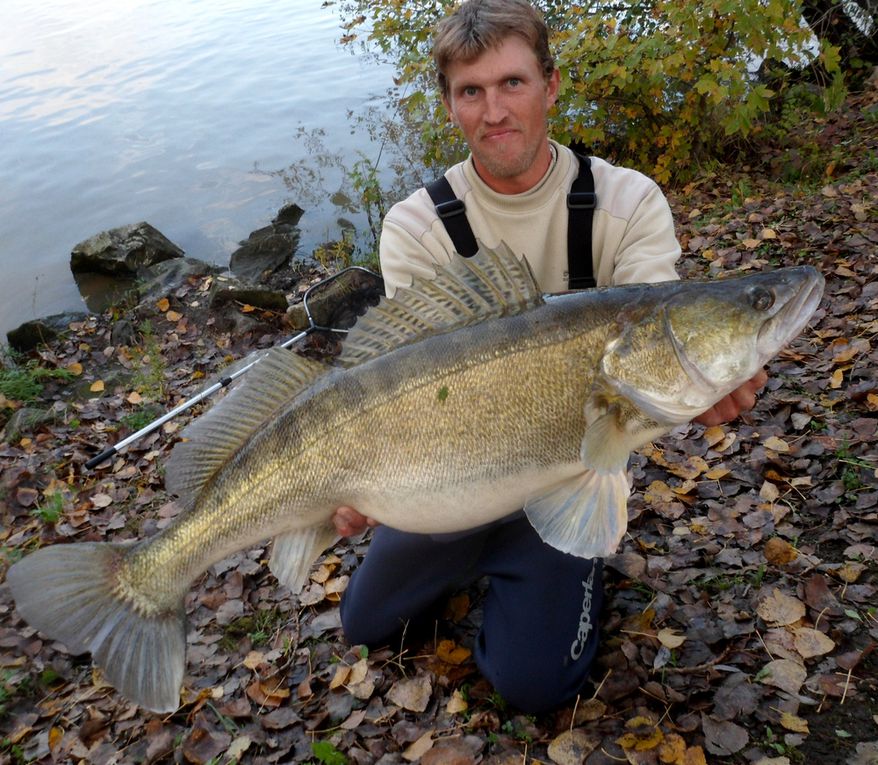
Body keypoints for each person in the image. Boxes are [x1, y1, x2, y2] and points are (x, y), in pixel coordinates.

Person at [332, 0, 766, 713]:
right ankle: (480, 549)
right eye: (471, 91)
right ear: (449, 106)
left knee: (533, 685)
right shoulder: (416, 224)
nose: (493, 110)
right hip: (452, 472)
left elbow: (663, 351)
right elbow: (401, 379)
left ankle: (554, 570)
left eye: (512, 83)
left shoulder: (628, 202)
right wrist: (363, 481)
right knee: (365, 626)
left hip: (571, 473)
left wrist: (709, 386)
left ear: (552, 86)